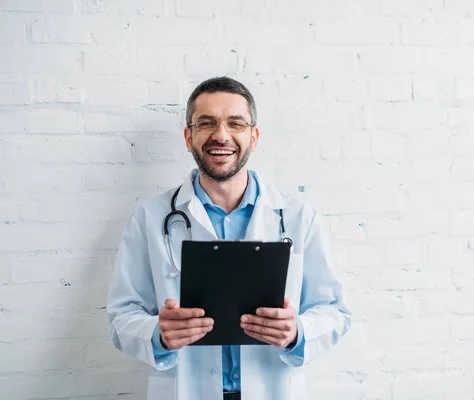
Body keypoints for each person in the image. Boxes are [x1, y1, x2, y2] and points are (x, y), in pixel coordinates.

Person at [106, 76, 351, 400]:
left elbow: (334, 312)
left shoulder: (298, 218)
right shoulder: (150, 218)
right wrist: (157, 334)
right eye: (206, 123)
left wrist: (297, 332)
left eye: (235, 123)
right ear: (188, 136)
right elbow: (122, 317)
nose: (221, 135)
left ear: (254, 136)